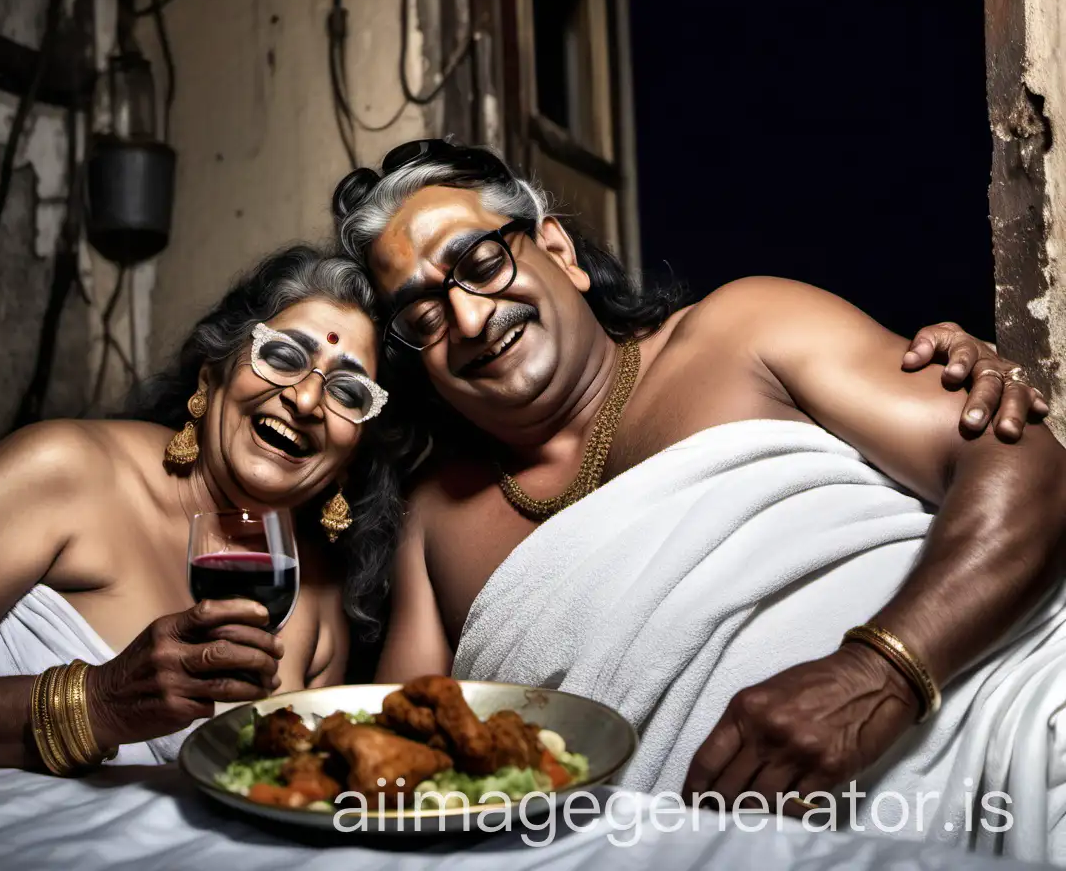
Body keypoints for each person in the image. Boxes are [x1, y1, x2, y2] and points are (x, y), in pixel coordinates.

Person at [333, 139, 1066, 852]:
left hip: (1005, 725)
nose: (467, 318)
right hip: (712, 850)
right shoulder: (433, 523)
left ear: (557, 251)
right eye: (423, 316)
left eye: (481, 263)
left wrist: (879, 674)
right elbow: (396, 777)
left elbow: (1027, 467)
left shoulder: (743, 328)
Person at [0, 245, 412, 770]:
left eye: (348, 393)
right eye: (283, 356)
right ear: (212, 374)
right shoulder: (64, 470)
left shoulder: (318, 597)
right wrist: (98, 704)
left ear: (353, 451)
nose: (307, 398)